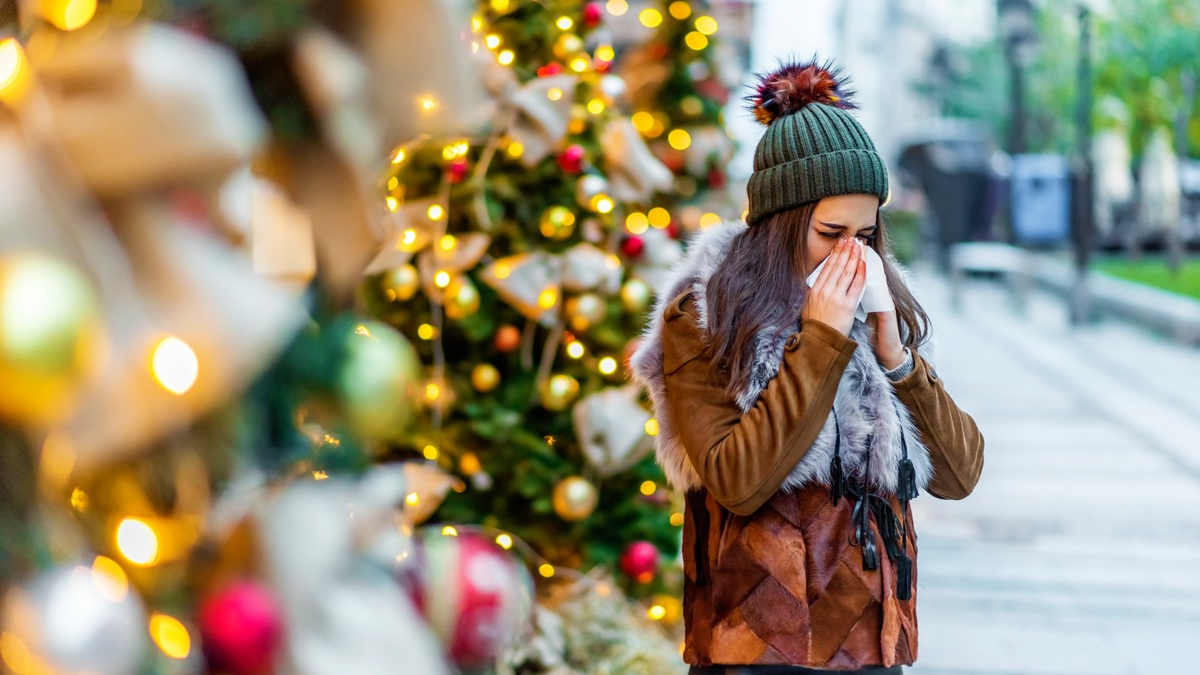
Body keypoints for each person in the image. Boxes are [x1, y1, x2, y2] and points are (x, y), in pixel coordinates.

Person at [630, 58, 985, 674]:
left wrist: (897, 359)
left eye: (866, 234)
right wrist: (818, 337)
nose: (851, 253)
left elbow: (958, 474)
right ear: (780, 222)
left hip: (874, 647)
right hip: (755, 646)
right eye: (830, 231)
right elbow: (737, 479)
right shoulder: (705, 312)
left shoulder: (880, 310)